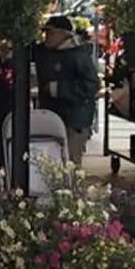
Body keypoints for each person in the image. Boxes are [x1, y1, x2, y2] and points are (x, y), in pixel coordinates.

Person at [35, 15, 98, 166]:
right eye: (45, 33)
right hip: (53, 116)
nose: (47, 37)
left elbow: (90, 85)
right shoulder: (45, 51)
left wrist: (57, 88)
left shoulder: (79, 54)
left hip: (74, 120)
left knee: (70, 163)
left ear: (64, 34)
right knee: (52, 163)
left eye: (51, 33)